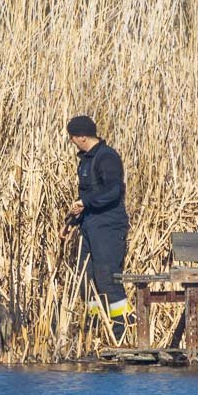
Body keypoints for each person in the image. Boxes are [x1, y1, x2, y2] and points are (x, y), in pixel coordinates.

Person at [65, 115, 130, 325]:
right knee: (86, 280)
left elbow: (113, 191)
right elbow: (86, 198)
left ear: (82, 137)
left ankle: (123, 330)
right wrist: (72, 222)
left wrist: (85, 202)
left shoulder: (107, 157)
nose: (71, 142)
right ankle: (96, 329)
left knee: (107, 280)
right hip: (89, 226)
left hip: (108, 227)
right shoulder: (86, 161)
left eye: (72, 137)